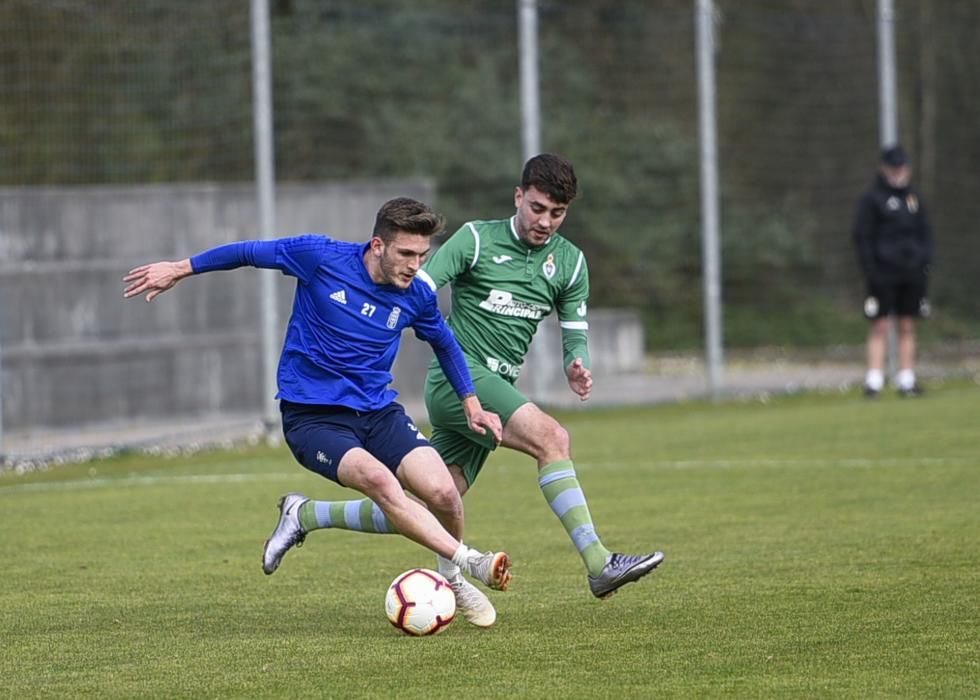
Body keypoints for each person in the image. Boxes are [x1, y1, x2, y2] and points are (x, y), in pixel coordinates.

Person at [291, 155, 664, 627]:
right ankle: (598, 563)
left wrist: (578, 362)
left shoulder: (570, 263)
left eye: (557, 213)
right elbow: (417, 288)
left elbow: (575, 328)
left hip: (497, 388)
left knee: (435, 503)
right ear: (518, 196)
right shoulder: (475, 239)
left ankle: (306, 516)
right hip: (458, 381)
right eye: (537, 208)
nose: (544, 221)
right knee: (553, 439)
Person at [122, 197, 512, 599]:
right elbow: (249, 252)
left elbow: (445, 343)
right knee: (380, 481)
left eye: (422, 255)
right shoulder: (320, 257)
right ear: (377, 246)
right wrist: (180, 268)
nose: (415, 265)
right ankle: (472, 562)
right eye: (406, 254)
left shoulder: (416, 295)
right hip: (313, 418)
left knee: (445, 493)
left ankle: (451, 578)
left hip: (377, 411)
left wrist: (471, 402)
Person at [853, 145, 933, 397]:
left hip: (911, 273)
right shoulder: (872, 200)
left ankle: (906, 379)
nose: (899, 172)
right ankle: (874, 380)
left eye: (902, 167)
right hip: (882, 273)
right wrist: (870, 269)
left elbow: (926, 234)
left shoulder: (914, 199)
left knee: (907, 324)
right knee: (880, 325)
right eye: (894, 167)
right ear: (884, 169)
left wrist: (924, 263)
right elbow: (862, 236)